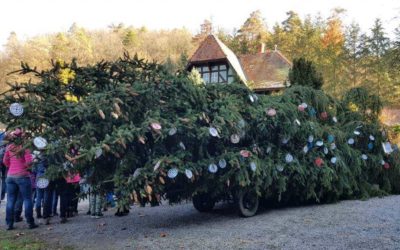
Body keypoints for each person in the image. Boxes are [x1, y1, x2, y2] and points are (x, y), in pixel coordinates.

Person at [3, 129, 38, 230]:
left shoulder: (9, 147)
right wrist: (32, 162)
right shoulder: (25, 148)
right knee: (27, 199)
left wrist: (12, 167)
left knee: (10, 200)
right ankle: (30, 222)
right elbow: (28, 163)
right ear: (22, 137)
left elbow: (5, 161)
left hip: (10, 176)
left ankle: (9, 223)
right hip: (22, 176)